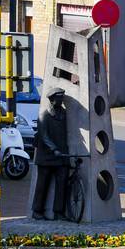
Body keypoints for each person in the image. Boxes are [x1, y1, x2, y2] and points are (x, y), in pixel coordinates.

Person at [31, 87, 69, 219]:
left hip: (61, 155)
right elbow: (44, 136)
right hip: (46, 155)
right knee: (42, 184)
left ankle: (58, 212)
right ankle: (37, 211)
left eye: (62, 98)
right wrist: (54, 149)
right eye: (60, 98)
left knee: (62, 183)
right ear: (52, 100)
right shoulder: (44, 115)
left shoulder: (63, 113)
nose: (62, 100)